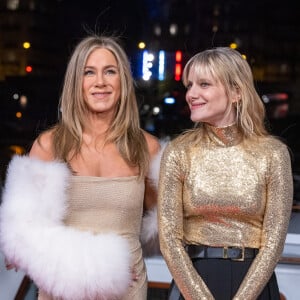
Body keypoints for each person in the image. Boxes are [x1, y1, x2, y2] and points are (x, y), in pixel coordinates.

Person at [0, 34, 160, 300]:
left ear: (123, 82)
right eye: (89, 72)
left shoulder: (147, 148)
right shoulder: (49, 145)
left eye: (110, 71)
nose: (100, 82)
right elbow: (21, 239)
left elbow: (162, 229)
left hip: (127, 290)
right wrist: (95, 270)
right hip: (63, 291)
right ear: (77, 83)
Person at [157, 47, 293, 300]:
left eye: (204, 84)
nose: (191, 94)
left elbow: (273, 243)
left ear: (236, 92)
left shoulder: (273, 154)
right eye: (190, 85)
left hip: (254, 284)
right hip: (193, 281)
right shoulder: (179, 152)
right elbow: (169, 239)